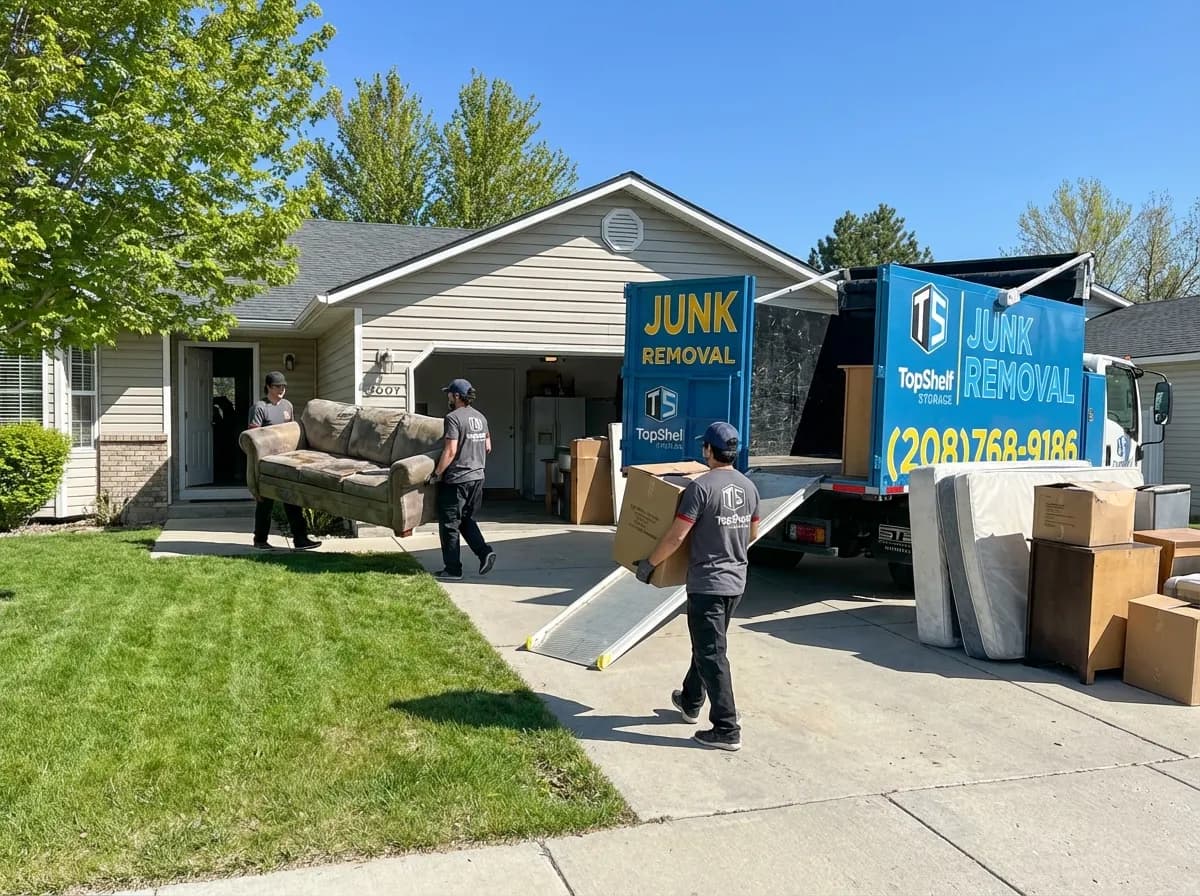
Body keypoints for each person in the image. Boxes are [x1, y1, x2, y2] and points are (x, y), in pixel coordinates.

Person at [636, 421, 760, 751]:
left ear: (708, 450)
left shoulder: (701, 488)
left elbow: (677, 535)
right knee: (708, 643)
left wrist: (650, 565)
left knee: (711, 651)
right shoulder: (749, 487)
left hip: (708, 583)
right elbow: (753, 534)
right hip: (736, 582)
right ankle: (691, 700)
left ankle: (726, 728)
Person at [427, 378, 497, 581]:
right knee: (465, 519)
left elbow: (450, 451)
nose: (448, 396)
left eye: (449, 393)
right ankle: (484, 553)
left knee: (449, 524)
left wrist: (437, 473)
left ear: (457, 396)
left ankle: (453, 569)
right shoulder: (481, 417)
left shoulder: (453, 418)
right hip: (477, 477)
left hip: (457, 479)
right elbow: (488, 445)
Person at [248, 371, 321, 551]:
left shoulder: (287, 405)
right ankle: (260, 540)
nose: (281, 389)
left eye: (283, 386)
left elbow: (292, 431)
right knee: (265, 503)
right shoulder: (259, 408)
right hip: (266, 463)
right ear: (268, 387)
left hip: (286, 461)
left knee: (292, 500)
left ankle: (300, 539)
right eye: (277, 386)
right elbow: (253, 437)